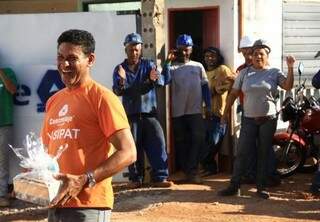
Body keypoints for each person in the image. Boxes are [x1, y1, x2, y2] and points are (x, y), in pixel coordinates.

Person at [41, 29, 136, 222]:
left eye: (72, 58)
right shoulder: (53, 101)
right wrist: (34, 171)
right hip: (56, 203)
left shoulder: (102, 98)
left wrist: (85, 180)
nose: (64, 64)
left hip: (89, 206)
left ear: (90, 60)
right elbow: (47, 151)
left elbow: (128, 152)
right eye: (60, 57)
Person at [218, 39, 296, 199]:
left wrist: (290, 68)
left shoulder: (274, 72)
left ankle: (261, 187)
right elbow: (233, 94)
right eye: (255, 54)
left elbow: (287, 86)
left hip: (268, 120)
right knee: (242, 152)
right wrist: (225, 113)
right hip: (248, 119)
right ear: (251, 57)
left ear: (267, 56)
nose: (257, 56)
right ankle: (234, 186)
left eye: (261, 54)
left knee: (263, 153)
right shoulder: (244, 73)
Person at [112, 33, 172, 188]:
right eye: (131, 49)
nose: (134, 53)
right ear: (125, 49)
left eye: (137, 50)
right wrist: (122, 81)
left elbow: (160, 82)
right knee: (133, 147)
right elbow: (118, 91)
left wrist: (154, 78)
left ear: (141, 50)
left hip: (149, 114)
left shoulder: (149, 65)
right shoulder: (120, 69)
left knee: (157, 143)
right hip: (130, 116)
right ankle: (135, 179)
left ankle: (160, 177)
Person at [165, 34, 211, 184]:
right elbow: (164, 80)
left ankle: (192, 169)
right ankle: (187, 172)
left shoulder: (198, 66)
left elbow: (205, 87)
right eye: (181, 50)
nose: (184, 52)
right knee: (181, 142)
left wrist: (208, 106)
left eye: (187, 49)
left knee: (199, 139)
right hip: (178, 112)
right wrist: (167, 61)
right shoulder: (172, 68)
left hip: (195, 110)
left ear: (191, 49)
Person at [200, 47, 234, 176]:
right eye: (207, 56)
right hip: (204, 114)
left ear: (218, 57)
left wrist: (214, 90)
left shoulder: (223, 70)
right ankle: (210, 168)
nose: (209, 59)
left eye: (213, 56)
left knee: (214, 142)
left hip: (218, 114)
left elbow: (231, 83)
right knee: (204, 143)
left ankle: (208, 166)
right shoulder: (202, 71)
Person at [0, 68, 17, 207]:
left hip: (4, 123)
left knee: (2, 161)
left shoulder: (8, 72)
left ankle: (1, 194)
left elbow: (12, 90)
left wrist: (1, 73)